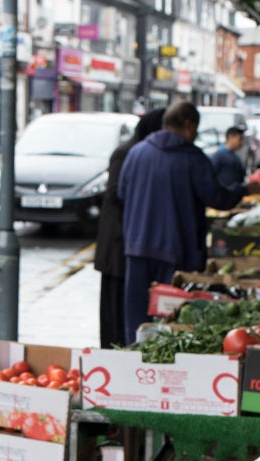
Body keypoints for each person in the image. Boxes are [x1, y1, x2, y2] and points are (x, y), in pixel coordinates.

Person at [117, 101, 260, 344]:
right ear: (188, 125)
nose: (195, 135)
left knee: (136, 317)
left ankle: (134, 362)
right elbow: (216, 197)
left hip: (138, 246)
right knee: (171, 319)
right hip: (176, 251)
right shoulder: (192, 158)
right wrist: (245, 189)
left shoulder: (137, 153)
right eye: (195, 129)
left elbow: (121, 194)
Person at [93, 108, 164, 349]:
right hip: (118, 241)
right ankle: (114, 354)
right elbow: (114, 193)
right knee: (115, 306)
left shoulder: (140, 152)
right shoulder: (127, 153)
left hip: (129, 238)